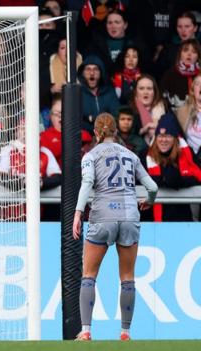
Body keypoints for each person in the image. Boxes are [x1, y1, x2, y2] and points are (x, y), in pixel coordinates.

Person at [73, 113, 158, 341]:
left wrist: (78, 212)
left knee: (89, 274)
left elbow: (88, 183)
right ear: (115, 131)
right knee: (128, 277)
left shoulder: (90, 156)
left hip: (103, 215)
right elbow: (152, 186)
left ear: (96, 133)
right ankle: (125, 332)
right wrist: (148, 202)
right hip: (130, 214)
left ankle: (86, 330)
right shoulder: (131, 155)